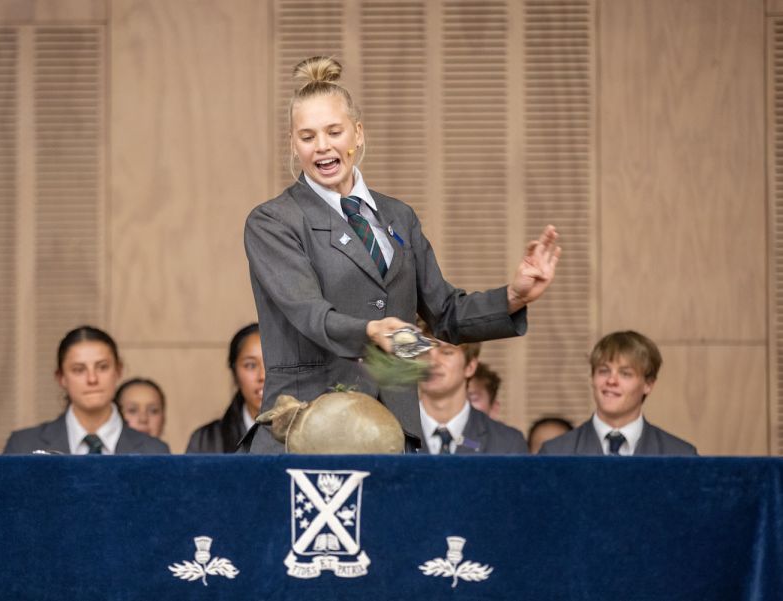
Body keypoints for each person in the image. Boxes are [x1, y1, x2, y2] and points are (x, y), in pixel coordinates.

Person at [244, 56, 560, 453]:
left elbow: (445, 312)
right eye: (307, 137)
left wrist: (514, 295)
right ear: (293, 143)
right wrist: (371, 331)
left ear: (357, 134)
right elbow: (310, 314)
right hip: (305, 430)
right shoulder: (274, 221)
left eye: (334, 131)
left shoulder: (398, 216)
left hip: (391, 433)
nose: (322, 147)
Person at [3, 326, 169, 455]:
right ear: (61, 378)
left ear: (118, 371)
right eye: (78, 369)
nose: (92, 379)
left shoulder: (154, 451)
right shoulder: (24, 446)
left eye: (102, 367)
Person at [539, 331, 697, 456]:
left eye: (625, 373)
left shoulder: (681, 455)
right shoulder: (555, 452)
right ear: (592, 378)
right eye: (603, 371)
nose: (611, 380)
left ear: (648, 384)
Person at [418, 337, 527, 454]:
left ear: (470, 366)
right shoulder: (398, 431)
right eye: (423, 351)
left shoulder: (507, 442)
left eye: (446, 352)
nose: (431, 362)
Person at [187, 323, 265, 453]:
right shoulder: (207, 440)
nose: (262, 375)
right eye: (251, 365)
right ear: (234, 372)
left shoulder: (306, 436)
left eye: (271, 365)